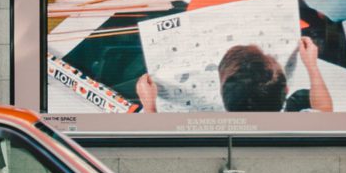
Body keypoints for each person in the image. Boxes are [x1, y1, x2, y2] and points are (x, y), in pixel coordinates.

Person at [136, 36, 332, 113]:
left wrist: (149, 106)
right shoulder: (295, 128)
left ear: (221, 92)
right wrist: (312, 66)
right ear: (287, 89)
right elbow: (325, 111)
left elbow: (162, 145)